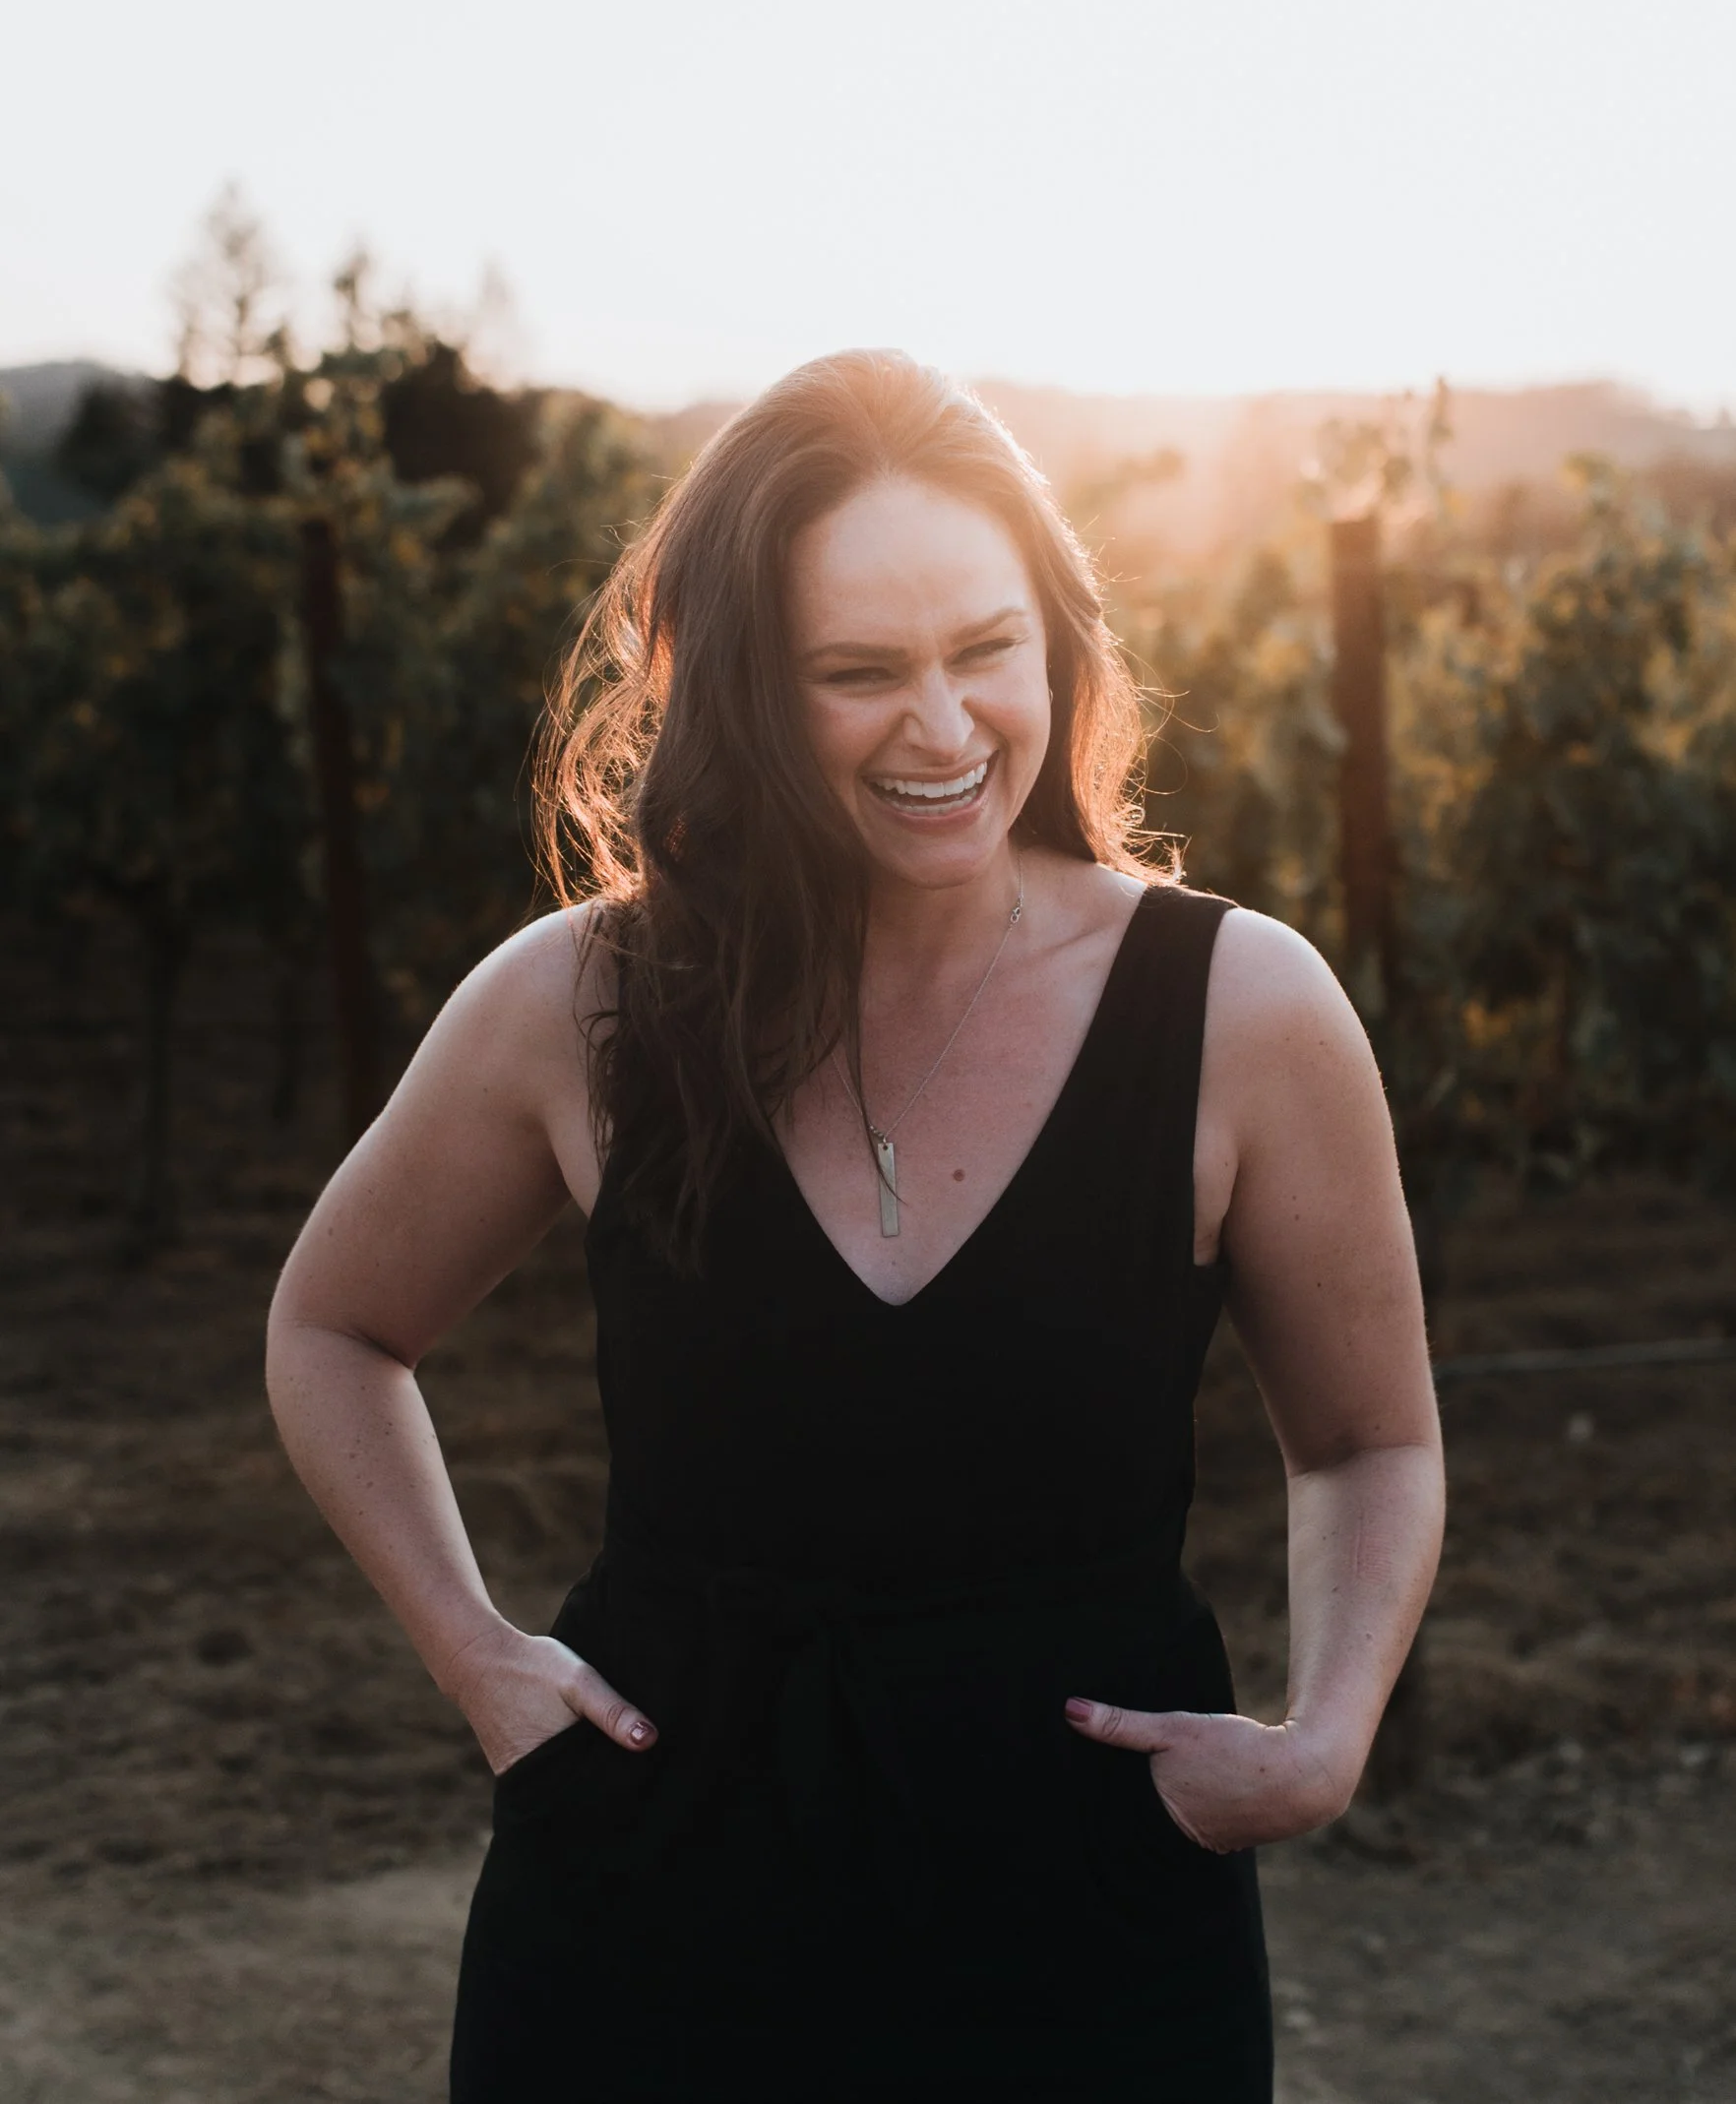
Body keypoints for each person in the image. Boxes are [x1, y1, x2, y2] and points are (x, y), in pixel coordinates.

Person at [267, 350, 1444, 2103]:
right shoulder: (582, 1000)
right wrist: (482, 1663)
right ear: (738, 694)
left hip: (1090, 1925)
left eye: (988, 649)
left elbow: (1368, 1443)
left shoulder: (1245, 1011)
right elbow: (334, 1331)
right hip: (649, 1916)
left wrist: (1328, 1734)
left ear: (1058, 643)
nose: (948, 728)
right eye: (859, 674)